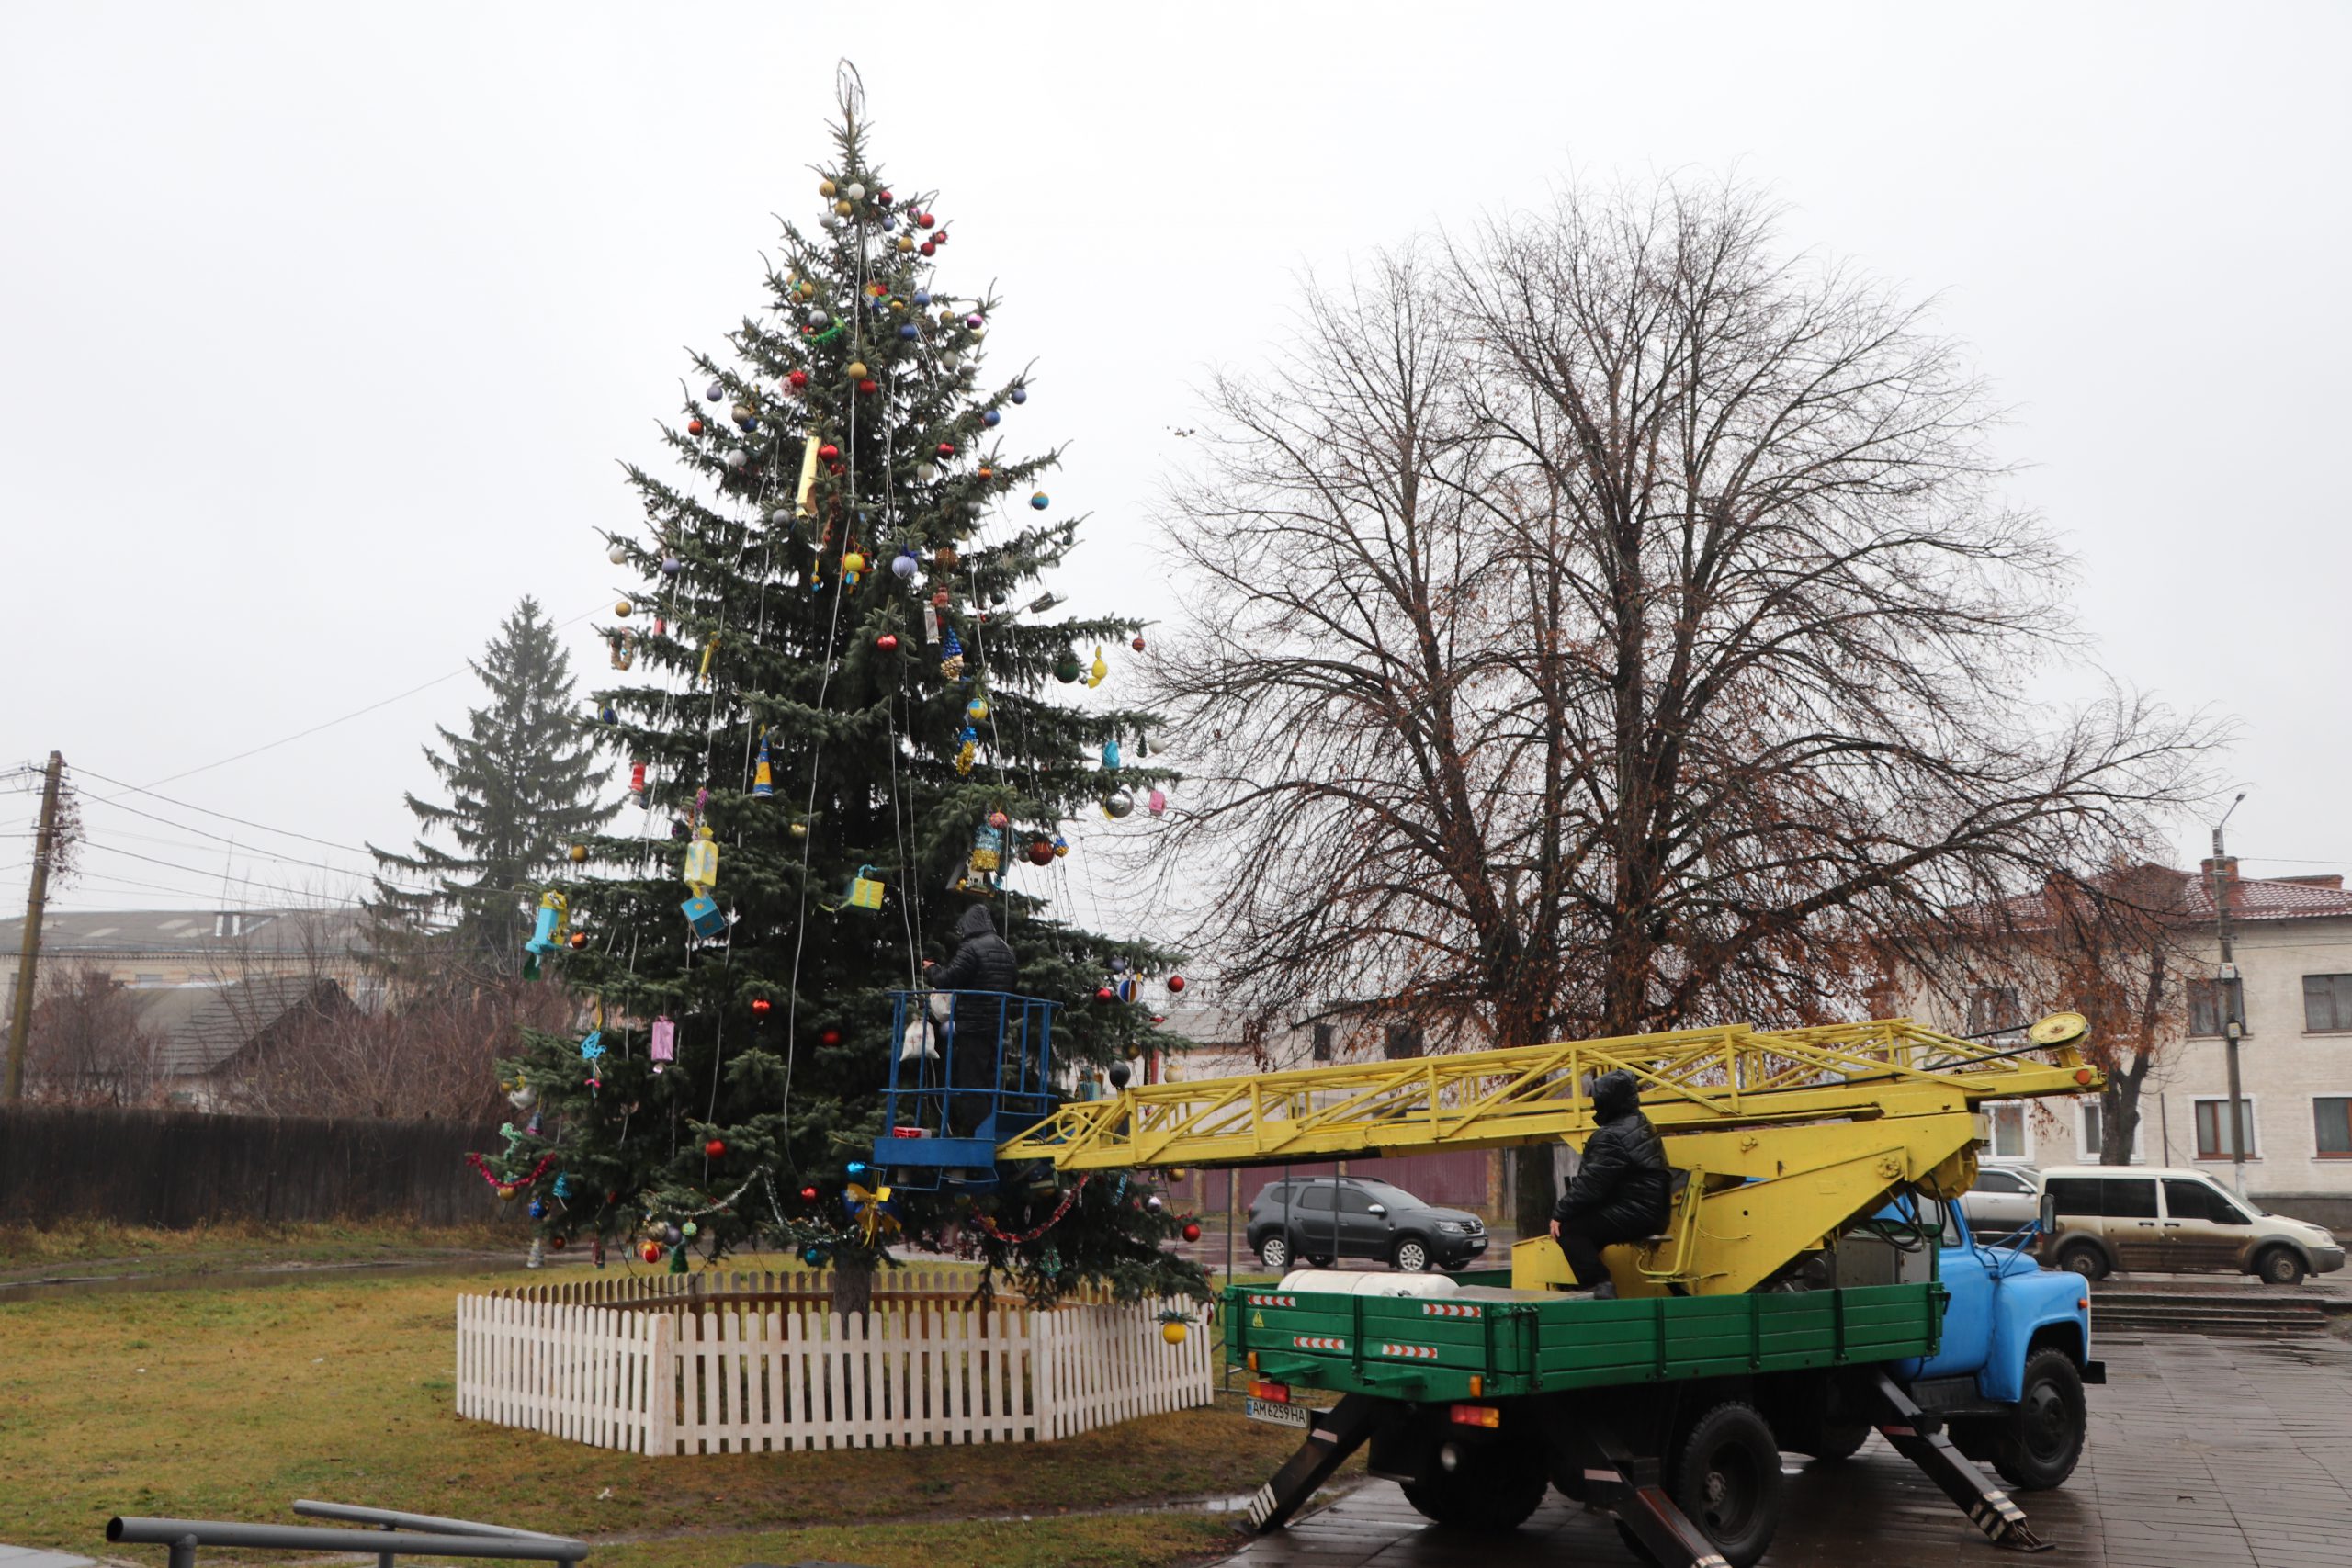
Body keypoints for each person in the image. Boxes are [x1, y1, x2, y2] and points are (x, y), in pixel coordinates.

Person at [1549, 1068, 1672, 1299]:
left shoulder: (1610, 1135)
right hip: (1652, 1212)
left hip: (1637, 1214)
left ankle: (1599, 1286)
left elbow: (1592, 1184)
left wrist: (1560, 1214)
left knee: (1569, 1230)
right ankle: (1590, 1282)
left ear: (1609, 1100)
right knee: (1586, 1230)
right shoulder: (1641, 1124)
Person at [922, 904, 1019, 1137]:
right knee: (988, 1082)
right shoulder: (1006, 949)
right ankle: (990, 1128)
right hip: (997, 1025)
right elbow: (1012, 982)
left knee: (971, 1082)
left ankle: (982, 1133)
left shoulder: (971, 947)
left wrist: (931, 969)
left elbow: (947, 979)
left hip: (973, 1025)